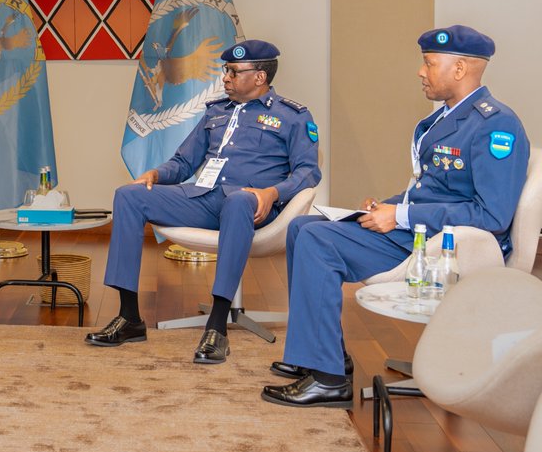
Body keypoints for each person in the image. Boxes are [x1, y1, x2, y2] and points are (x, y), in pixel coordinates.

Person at [263, 25, 530, 408]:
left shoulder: (495, 125)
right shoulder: (444, 120)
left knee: (318, 241)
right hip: (417, 230)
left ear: (460, 69)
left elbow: (492, 215)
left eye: (429, 63)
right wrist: (384, 207)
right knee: (303, 227)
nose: (421, 72)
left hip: (448, 246)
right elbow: (430, 189)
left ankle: (328, 381)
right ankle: (325, 357)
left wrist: (401, 215)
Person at [87, 39, 321, 364]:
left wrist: (272, 194)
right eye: (225, 70)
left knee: (238, 201)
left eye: (234, 72)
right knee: (129, 196)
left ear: (260, 77)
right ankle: (129, 317)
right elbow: (184, 162)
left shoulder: (293, 116)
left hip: (252, 206)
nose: (225, 77)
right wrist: (156, 173)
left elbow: (309, 172)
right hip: (204, 198)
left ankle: (217, 327)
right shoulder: (216, 111)